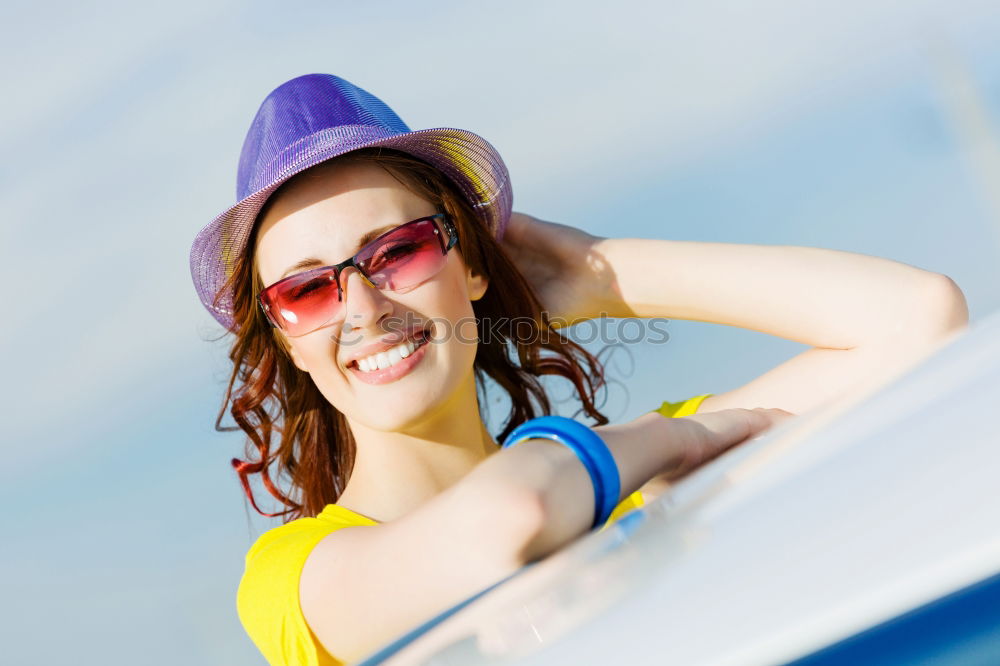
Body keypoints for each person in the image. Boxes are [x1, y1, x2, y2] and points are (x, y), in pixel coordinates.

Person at [188, 73, 966, 665]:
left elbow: (920, 318)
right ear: (286, 338)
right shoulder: (293, 577)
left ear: (474, 264)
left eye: (398, 251)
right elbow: (508, 522)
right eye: (306, 289)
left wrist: (600, 273)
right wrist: (675, 444)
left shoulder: (630, 470)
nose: (361, 306)